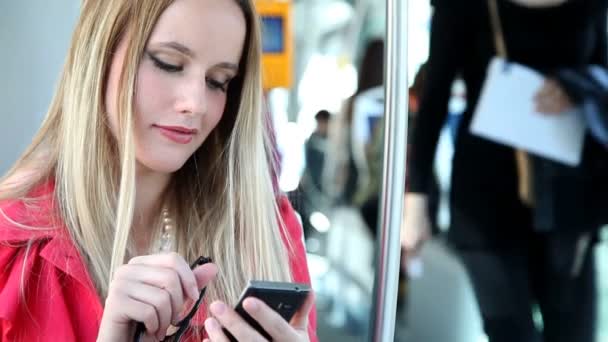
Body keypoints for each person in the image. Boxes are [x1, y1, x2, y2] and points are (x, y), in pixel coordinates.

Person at [0, 0, 318, 341]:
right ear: (100, 51)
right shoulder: (13, 243)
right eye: (168, 64)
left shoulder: (267, 231)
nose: (195, 104)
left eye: (218, 81)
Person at [402, 0, 608, 341]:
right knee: (511, 332)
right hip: (485, 197)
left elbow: (602, 75)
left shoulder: (590, 6)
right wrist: (416, 201)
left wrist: (574, 88)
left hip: (569, 200)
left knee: (574, 332)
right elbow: (433, 98)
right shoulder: (465, 7)